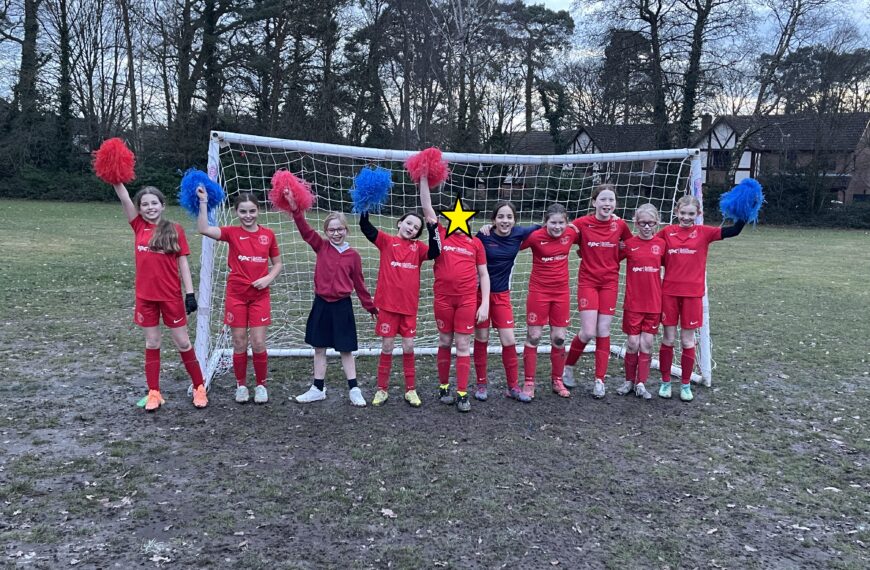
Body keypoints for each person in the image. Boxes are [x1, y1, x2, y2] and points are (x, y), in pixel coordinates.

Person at [111, 182, 208, 411]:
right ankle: (154, 392)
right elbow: (124, 198)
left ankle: (199, 387)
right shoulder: (138, 226)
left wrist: (190, 293)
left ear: (162, 205)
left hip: (171, 297)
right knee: (152, 342)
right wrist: (116, 179)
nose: (150, 207)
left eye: (154, 203)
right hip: (146, 298)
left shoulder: (174, 229)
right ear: (140, 208)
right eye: (145, 204)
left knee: (183, 342)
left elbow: (183, 262)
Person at [282, 189, 377, 407]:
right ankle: (317, 387)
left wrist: (370, 307)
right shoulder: (321, 246)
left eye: (340, 229)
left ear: (347, 230)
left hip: (342, 306)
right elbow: (305, 230)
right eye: (331, 229)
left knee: (346, 349)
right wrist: (295, 208)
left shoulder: (353, 256)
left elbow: (359, 284)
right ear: (325, 231)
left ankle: (354, 388)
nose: (336, 233)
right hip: (322, 304)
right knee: (319, 347)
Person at [196, 188, 282, 404]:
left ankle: (261, 385)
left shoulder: (268, 235)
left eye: (252, 211)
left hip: (260, 296)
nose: (248, 215)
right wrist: (204, 202)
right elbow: (204, 228)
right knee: (239, 341)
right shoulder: (232, 233)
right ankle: (241, 385)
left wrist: (268, 279)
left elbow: (278, 264)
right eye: (243, 211)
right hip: (236, 295)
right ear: (236, 212)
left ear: (258, 210)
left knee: (259, 342)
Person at [656, 195, 744, 402]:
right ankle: (665, 382)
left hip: (693, 295)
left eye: (691, 214)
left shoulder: (704, 233)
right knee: (668, 339)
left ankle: (685, 385)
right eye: (683, 213)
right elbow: (650, 251)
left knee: (687, 340)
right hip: (668, 293)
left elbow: (734, 231)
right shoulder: (666, 232)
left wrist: (745, 212)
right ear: (676, 212)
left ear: (698, 214)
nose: (686, 217)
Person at [420, 176, 490, 413]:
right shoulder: (440, 233)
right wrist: (422, 177)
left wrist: (485, 304)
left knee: (463, 344)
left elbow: (484, 275)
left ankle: (462, 392)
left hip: (467, 301)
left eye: (465, 218)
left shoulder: (475, 244)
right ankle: (443, 387)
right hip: (443, 299)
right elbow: (427, 208)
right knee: (444, 341)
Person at [359, 210, 440, 408]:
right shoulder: (386, 241)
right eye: (408, 223)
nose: (411, 228)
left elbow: (435, 252)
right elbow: (367, 230)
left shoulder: (418, 248)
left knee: (409, 347)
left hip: (409, 308)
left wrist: (432, 230)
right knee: (387, 347)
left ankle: (410, 389)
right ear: (399, 223)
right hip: (387, 307)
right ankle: (382, 389)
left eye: (415, 228)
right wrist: (364, 211)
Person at [563, 183, 633, 398]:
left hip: (610, 283)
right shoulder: (582, 224)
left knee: (603, 330)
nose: (607, 203)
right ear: (594, 202)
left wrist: (615, 257)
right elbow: (562, 239)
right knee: (588, 332)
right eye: (603, 199)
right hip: (588, 282)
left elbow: (633, 247)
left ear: (615, 204)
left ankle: (599, 380)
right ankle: (568, 367)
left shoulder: (620, 225)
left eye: (611, 200)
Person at [474, 202, 540, 403]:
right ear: (493, 220)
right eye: (501, 217)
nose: (505, 220)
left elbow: (543, 227)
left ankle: (513, 386)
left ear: (514, 220)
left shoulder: (519, 233)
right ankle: (481, 384)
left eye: (509, 217)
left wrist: (573, 226)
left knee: (509, 340)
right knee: (482, 338)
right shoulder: (483, 236)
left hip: (502, 295)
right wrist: (481, 230)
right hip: (479, 295)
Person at [519, 204, 578, 399]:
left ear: (567, 222)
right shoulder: (536, 237)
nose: (557, 227)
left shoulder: (571, 234)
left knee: (559, 338)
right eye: (553, 222)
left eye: (561, 222)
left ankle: (557, 380)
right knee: (534, 336)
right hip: (538, 292)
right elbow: (512, 243)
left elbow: (590, 238)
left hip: (561, 294)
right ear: (545, 223)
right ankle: (529, 382)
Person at [616, 204, 665, 400]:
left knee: (646, 345)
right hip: (633, 304)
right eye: (642, 223)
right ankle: (629, 381)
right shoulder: (628, 244)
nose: (646, 227)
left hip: (654, 304)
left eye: (650, 223)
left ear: (656, 224)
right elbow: (609, 260)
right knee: (632, 344)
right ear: (635, 223)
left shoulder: (661, 245)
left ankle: (641, 383)